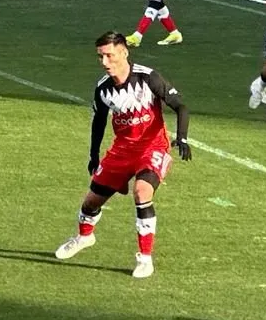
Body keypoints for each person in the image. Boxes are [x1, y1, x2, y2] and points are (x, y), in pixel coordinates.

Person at [54, 32, 192, 279]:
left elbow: (180, 106)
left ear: (124, 52)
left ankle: (145, 259)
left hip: (152, 147)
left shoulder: (148, 77)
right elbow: (98, 122)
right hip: (121, 151)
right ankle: (84, 237)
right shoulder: (103, 88)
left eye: (109, 55)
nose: (105, 62)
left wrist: (181, 137)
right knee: (90, 203)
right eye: (101, 57)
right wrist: (94, 155)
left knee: (142, 192)